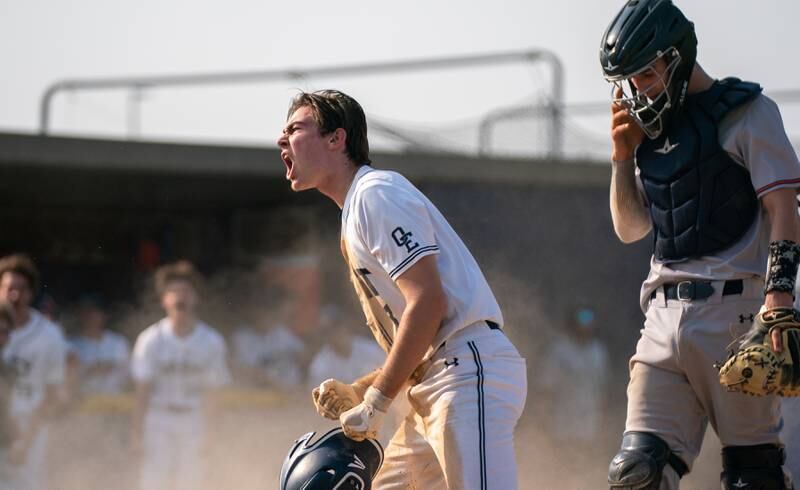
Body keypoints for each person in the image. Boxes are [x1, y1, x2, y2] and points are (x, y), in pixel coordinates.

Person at [277, 89, 527, 488]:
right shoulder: (358, 207)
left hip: (464, 373)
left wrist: (376, 402)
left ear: (336, 139)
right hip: (435, 380)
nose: (281, 139)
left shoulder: (375, 193)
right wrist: (363, 388)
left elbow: (428, 303)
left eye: (295, 128)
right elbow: (422, 332)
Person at [600, 1, 800, 488]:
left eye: (646, 74)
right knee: (636, 474)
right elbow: (630, 229)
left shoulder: (748, 112)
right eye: (629, 79)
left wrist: (779, 296)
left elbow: (785, 208)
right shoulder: (647, 134)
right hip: (662, 316)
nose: (637, 90)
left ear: (677, 57)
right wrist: (621, 159)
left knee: (754, 477)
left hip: (734, 316)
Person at [131, 260, 230, 490]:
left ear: (196, 298)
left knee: (193, 482)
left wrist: (212, 432)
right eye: (173, 291)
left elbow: (213, 393)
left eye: (186, 291)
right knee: (154, 482)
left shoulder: (211, 341)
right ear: (163, 299)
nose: (180, 297)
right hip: (159, 418)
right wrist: (136, 434)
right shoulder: (150, 340)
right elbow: (142, 392)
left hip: (194, 419)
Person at [0, 254, 67, 488]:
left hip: (29, 425)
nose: (15, 296)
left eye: (21, 289)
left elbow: (52, 392)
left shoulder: (49, 335)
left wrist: (26, 441)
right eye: (9, 288)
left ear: (31, 292)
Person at [540, 306, 609, 449]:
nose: (586, 325)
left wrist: (603, 419)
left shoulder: (598, 351)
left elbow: (602, 387)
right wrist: (544, 418)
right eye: (582, 319)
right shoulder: (559, 350)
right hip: (562, 422)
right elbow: (547, 386)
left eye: (590, 319)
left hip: (589, 422)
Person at [69, 293, 130, 396]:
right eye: (87, 311)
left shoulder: (118, 343)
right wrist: (90, 370)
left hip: (116, 402)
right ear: (79, 314)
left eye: (96, 311)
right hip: (82, 402)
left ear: (104, 315)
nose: (91, 316)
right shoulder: (72, 345)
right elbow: (68, 383)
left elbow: (130, 378)